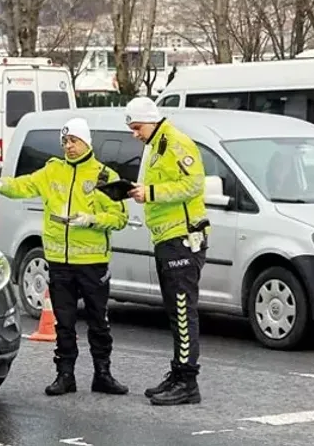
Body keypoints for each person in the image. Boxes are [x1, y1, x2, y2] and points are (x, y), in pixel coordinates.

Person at [0, 117, 130, 396]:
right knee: (64, 322)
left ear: (86, 142)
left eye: (73, 141)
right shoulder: (53, 171)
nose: (69, 146)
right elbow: (25, 185)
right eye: (65, 141)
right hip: (59, 261)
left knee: (99, 321)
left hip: (92, 262)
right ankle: (65, 376)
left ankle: (103, 374)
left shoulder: (103, 176)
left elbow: (120, 218)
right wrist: (0, 185)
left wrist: (90, 219)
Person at [124, 97, 210, 406]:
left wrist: (149, 193)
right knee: (175, 312)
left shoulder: (174, 142)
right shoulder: (155, 144)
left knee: (183, 312)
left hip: (183, 238)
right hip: (167, 238)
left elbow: (193, 186)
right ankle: (178, 373)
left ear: (150, 120)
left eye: (136, 127)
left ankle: (187, 381)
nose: (135, 134)